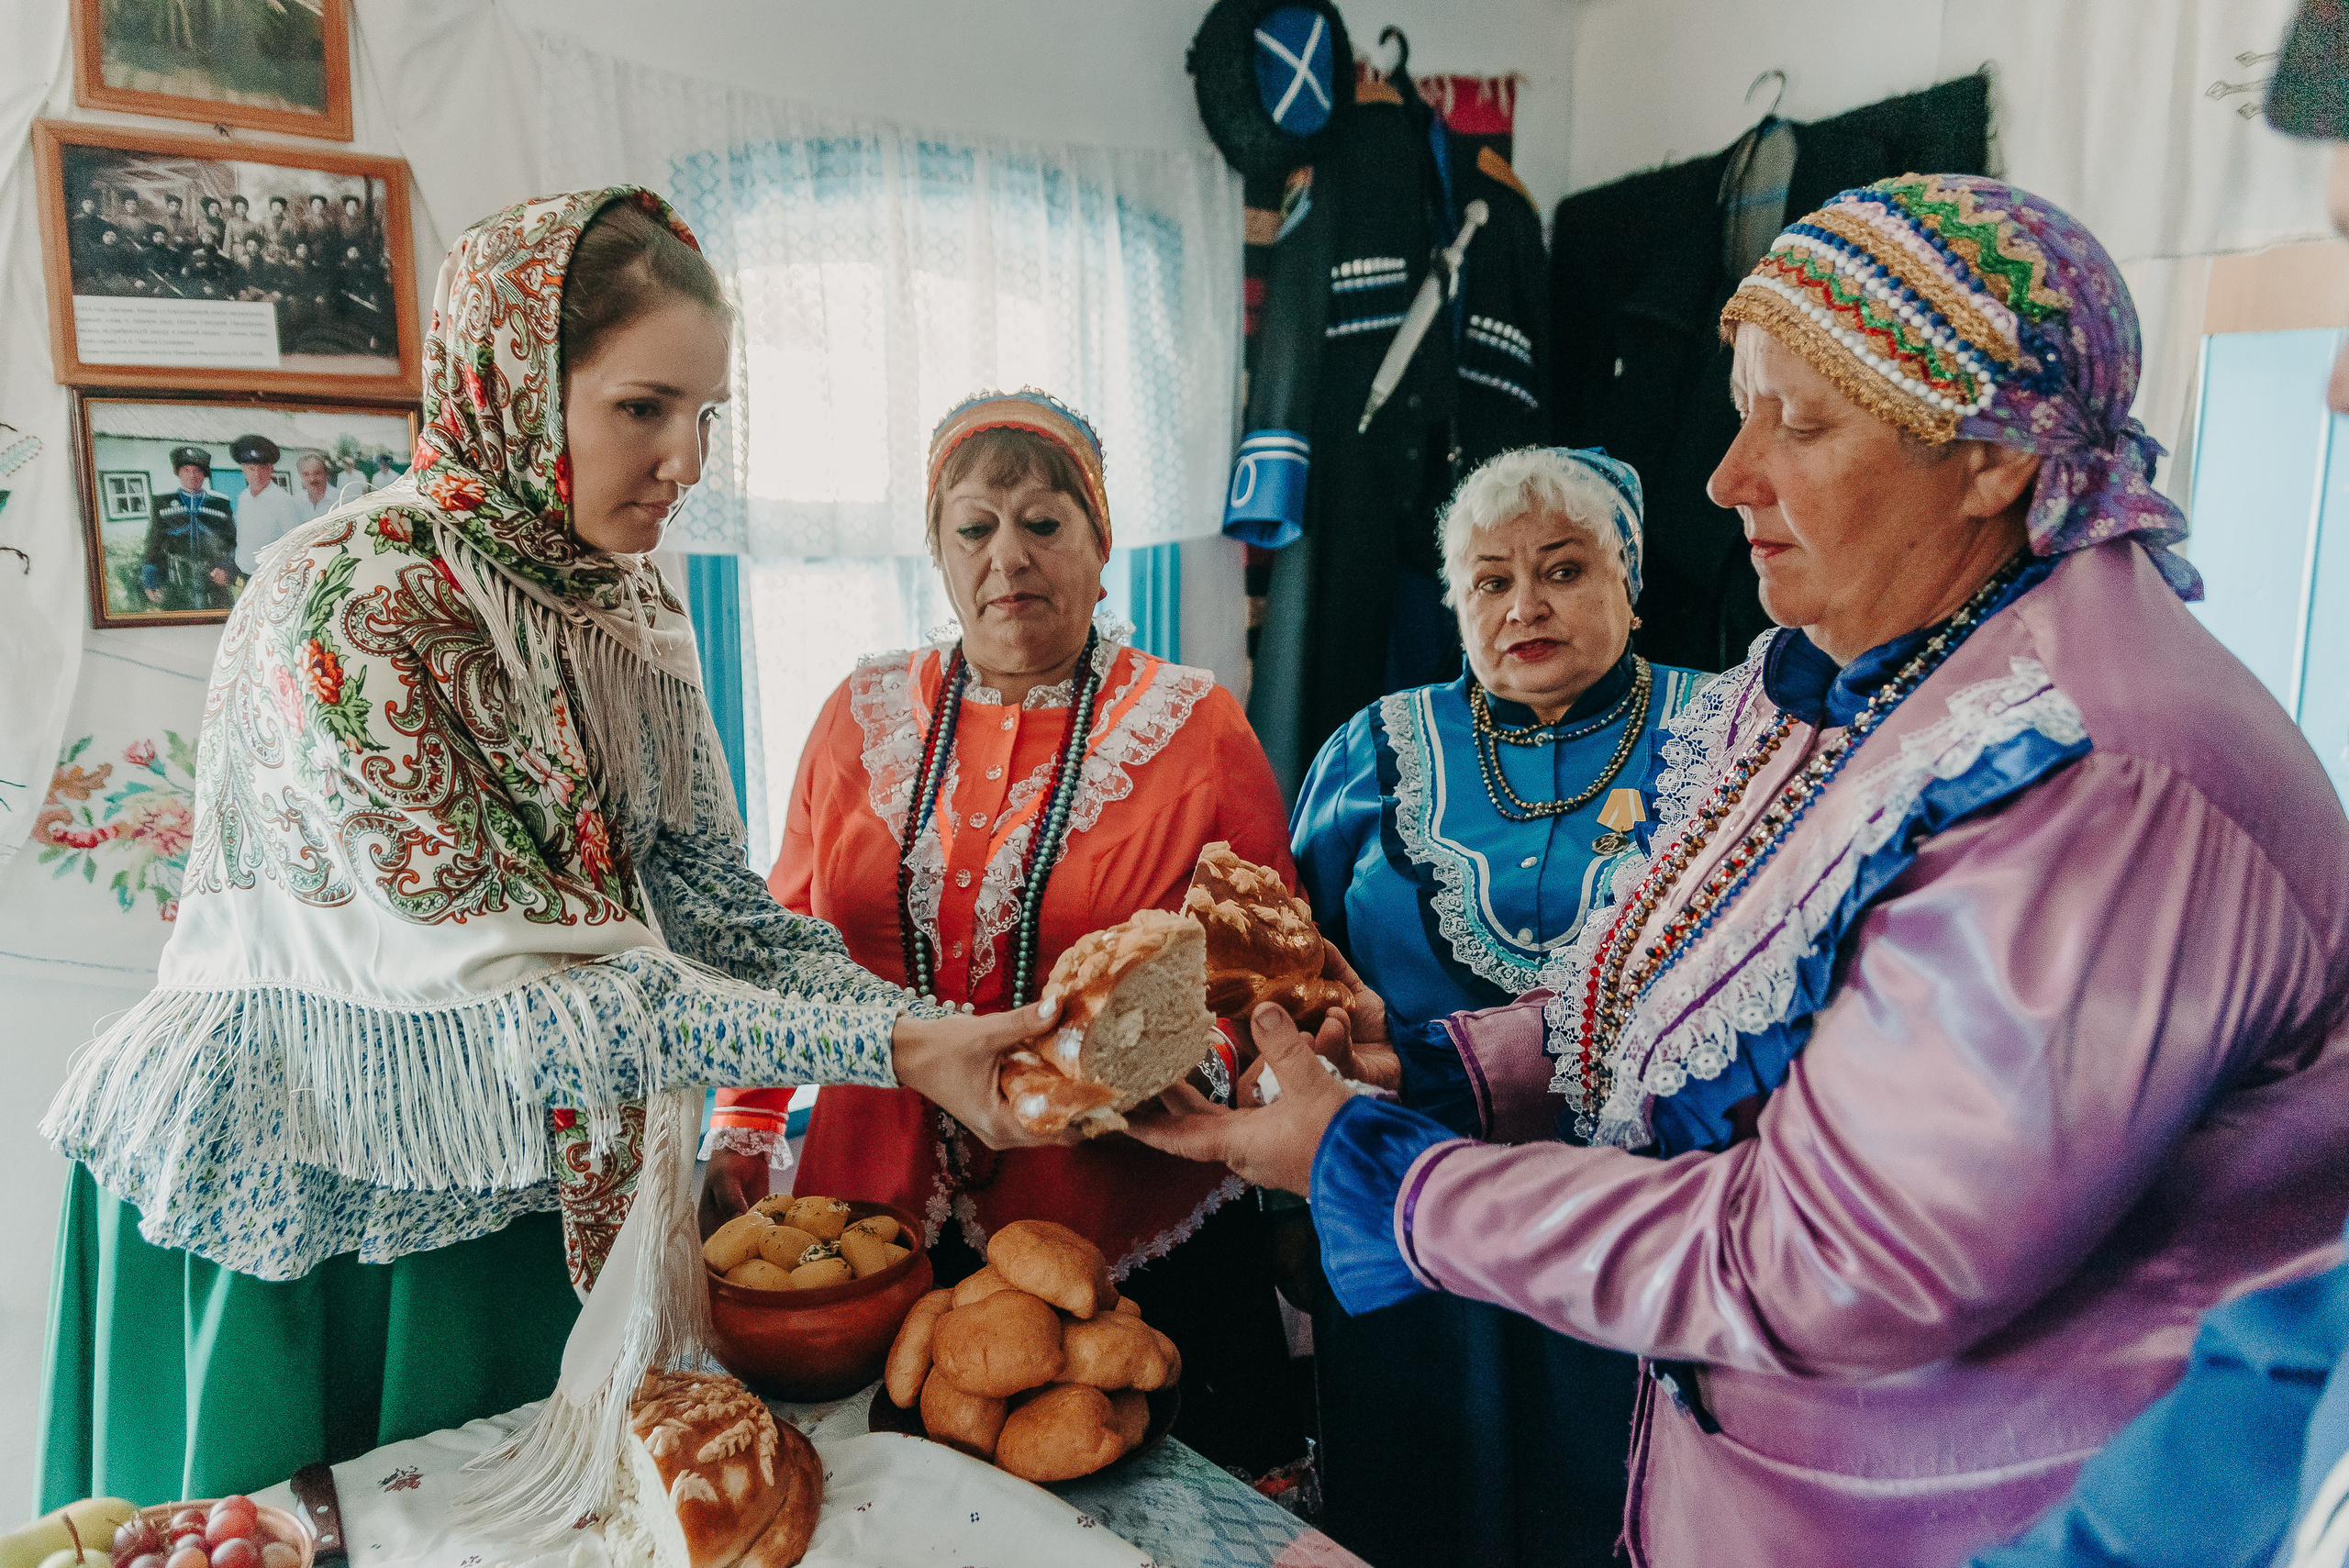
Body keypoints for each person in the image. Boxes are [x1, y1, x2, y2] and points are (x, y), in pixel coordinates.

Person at [1130, 174, 2349, 1567]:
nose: (1728, 478)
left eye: (1804, 422)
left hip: (1972, 1515)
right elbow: (1704, 976)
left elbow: (1826, 1258)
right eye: (1742, 406)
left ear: (1994, 459)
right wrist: (1434, 1071)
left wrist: (1375, 1168)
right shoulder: (1860, 673)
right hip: (1751, 1484)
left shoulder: (2094, 777)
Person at [39, 186, 1059, 1509]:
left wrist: (940, 1026)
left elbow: (717, 919)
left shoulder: (623, 603)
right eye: (643, 408)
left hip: (532, 1161)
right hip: (310, 1194)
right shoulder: (355, 597)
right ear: (514, 380)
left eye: (706, 417)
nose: (684, 460)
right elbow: (536, 997)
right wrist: (899, 1049)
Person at [703, 388, 1312, 1474]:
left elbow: (1261, 970)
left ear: (1099, 541)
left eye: (1043, 522)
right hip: (875, 1210)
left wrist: (1165, 1068)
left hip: (1118, 1201)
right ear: (937, 551)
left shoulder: (1193, 723)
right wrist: (744, 1130)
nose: (1008, 557)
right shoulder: (859, 713)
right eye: (974, 526)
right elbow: (778, 938)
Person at [1962, 14, 2349, 1565]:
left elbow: (1895, 1230)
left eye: (1802, 416)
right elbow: (2305, 1358)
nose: (2335, 388)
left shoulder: (2125, 740)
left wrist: (1422, 1173)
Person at [1288, 446, 1710, 1568]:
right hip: (1403, 1219)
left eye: (1562, 569)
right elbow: (1293, 978)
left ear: (1628, 577)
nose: (1524, 604)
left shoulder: (1727, 739)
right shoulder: (1369, 752)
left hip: (1634, 1229)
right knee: (1412, 1504)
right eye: (1488, 580)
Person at [139, 446, 237, 610]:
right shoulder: (162, 504)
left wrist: (227, 570)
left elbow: (233, 544)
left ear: (204, 474)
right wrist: (151, 581)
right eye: (186, 470)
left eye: (198, 471)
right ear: (177, 472)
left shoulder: (220, 505)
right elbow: (153, 547)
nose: (192, 475)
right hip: (176, 586)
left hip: (214, 585)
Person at [228, 434, 304, 578]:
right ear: (243, 469)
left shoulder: (284, 501)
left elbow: (296, 545)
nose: (257, 475)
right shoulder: (243, 497)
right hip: (244, 576)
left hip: (271, 577)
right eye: (251, 469)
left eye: (263, 468)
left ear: (271, 469)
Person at [288, 450, 342, 524]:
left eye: (317, 473)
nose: (312, 479)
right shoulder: (295, 502)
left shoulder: (341, 499)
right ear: (301, 476)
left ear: (326, 474)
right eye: (306, 474)